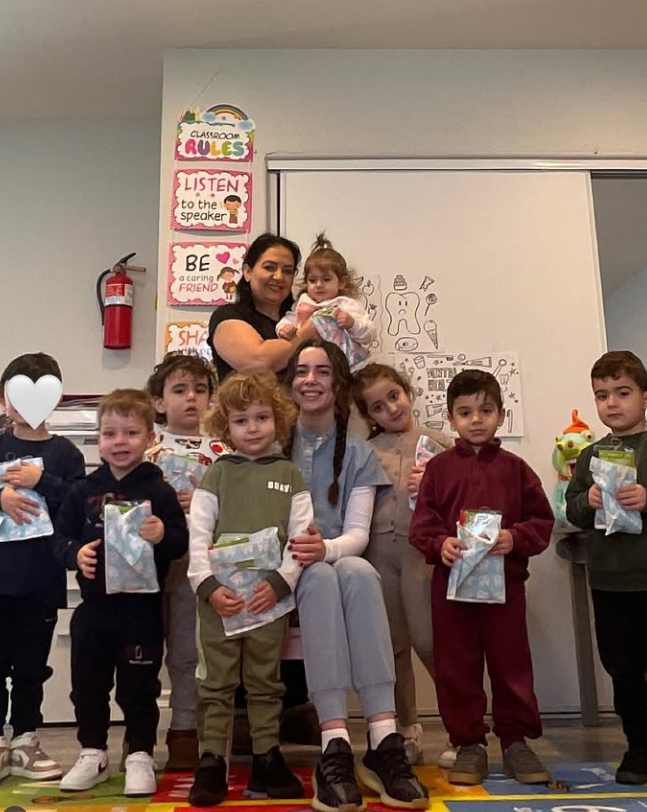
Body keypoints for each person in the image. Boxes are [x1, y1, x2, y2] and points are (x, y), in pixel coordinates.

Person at [285, 340, 429, 812]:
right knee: (321, 579)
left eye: (322, 371)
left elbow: (357, 534)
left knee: (359, 571)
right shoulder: (272, 438)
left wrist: (324, 549)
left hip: (337, 555)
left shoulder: (358, 451)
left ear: (339, 383)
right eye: (301, 371)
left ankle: (384, 740)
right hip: (285, 567)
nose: (310, 380)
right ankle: (334, 743)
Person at [409, 370, 553, 786]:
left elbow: (541, 521)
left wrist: (514, 537)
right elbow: (422, 526)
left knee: (512, 666)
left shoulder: (517, 470)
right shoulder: (437, 469)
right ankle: (469, 743)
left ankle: (515, 742)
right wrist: (440, 544)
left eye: (486, 411)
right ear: (451, 418)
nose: (476, 420)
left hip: (506, 588)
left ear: (501, 416)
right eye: (465, 412)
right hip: (451, 590)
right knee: (456, 667)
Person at [187, 370, 313, 806]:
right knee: (216, 683)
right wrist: (207, 586)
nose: (253, 428)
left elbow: (300, 538)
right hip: (219, 602)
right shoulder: (217, 475)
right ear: (227, 427)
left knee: (265, 682)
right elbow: (198, 536)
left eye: (262, 418)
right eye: (241, 421)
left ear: (277, 419)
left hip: (267, 602)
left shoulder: (289, 475)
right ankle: (211, 762)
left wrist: (280, 582)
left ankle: (267, 756)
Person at [55, 389, 188, 797]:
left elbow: (179, 542)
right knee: (88, 685)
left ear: (150, 438)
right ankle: (92, 752)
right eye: (109, 433)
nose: (119, 441)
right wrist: (75, 554)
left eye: (130, 433)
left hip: (141, 612)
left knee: (139, 687)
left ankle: (140, 755)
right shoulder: (82, 490)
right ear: (98, 438)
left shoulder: (159, 491)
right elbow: (59, 538)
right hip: (94, 611)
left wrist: (162, 534)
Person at [353, 362, 454, 767]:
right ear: (369, 415)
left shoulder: (438, 443)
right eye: (378, 407)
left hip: (420, 553)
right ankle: (407, 729)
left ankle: (461, 728)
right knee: (392, 646)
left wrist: (434, 487)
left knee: (429, 642)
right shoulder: (365, 451)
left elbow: (460, 501)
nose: (391, 409)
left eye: (394, 397)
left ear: (407, 392)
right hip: (378, 553)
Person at [0, 353, 86, 782]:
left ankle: (25, 740)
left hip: (41, 581)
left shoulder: (65, 453)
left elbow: (80, 505)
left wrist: (43, 482)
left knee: (32, 667)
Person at [145, 352, 229, 771]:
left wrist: (204, 501)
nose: (191, 398)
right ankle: (139, 737)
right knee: (141, 647)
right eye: (179, 390)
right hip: (147, 561)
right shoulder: (147, 446)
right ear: (159, 401)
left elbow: (234, 505)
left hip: (195, 563)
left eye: (199, 390)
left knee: (186, 650)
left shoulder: (222, 451)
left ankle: (184, 730)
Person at [566, 351, 647, 785]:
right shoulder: (590, 455)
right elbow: (572, 509)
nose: (612, 403)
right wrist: (589, 500)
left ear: (645, 397)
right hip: (610, 581)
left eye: (623, 392)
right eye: (602, 395)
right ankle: (639, 746)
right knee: (623, 668)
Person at [208, 232, 318, 382]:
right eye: (269, 267)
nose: (279, 277)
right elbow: (258, 364)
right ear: (247, 272)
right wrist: (306, 334)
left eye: (287, 271)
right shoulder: (228, 316)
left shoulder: (299, 316)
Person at [276, 234, 376, 372]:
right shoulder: (303, 304)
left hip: (348, 367)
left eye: (326, 279)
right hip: (313, 366)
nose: (319, 285)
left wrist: (352, 323)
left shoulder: (345, 305)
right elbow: (288, 319)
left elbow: (369, 334)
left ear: (341, 282)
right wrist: (284, 329)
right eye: (312, 280)